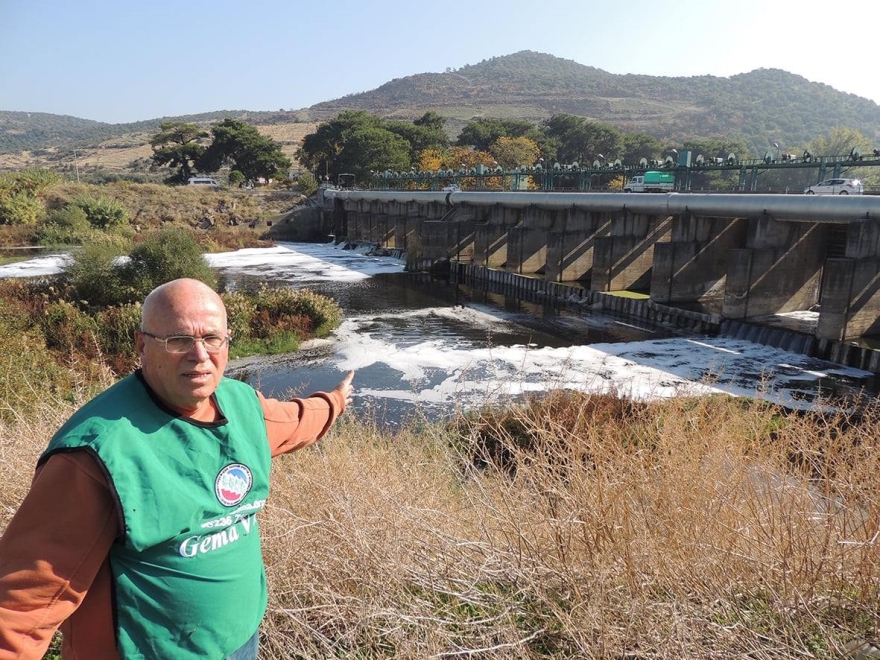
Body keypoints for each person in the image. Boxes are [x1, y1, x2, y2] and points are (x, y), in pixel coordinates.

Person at [0, 278, 355, 659]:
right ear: (141, 345)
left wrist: (334, 401)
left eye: (212, 338)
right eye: (179, 341)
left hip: (240, 640)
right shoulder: (96, 456)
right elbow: (21, 608)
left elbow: (294, 422)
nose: (200, 355)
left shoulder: (241, 405)